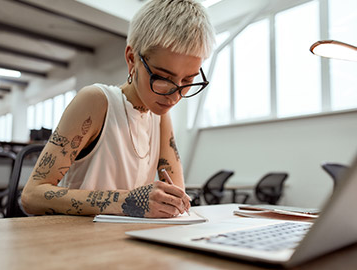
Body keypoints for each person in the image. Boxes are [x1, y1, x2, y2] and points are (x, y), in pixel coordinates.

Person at [21, 0, 215, 218]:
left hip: (128, 241)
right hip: (77, 242)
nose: (175, 95)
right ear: (132, 59)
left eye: (188, 80)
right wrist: (128, 202)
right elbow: (31, 196)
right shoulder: (96, 101)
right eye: (163, 78)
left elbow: (177, 194)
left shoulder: (160, 116)